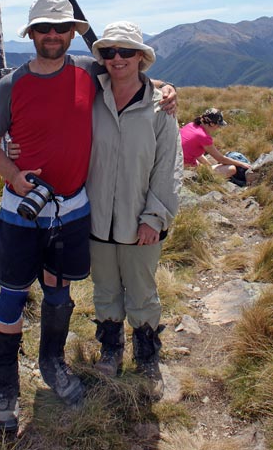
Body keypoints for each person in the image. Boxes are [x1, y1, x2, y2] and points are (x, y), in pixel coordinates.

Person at [0, 0, 176, 432]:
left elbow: (131, 75)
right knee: (11, 296)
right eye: (43, 28)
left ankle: (52, 363)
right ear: (31, 34)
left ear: (72, 33)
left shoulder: (89, 71)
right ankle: (4, 382)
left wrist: (166, 89)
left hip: (70, 211)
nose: (53, 35)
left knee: (58, 291)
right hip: (21, 213)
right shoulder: (11, 85)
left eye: (61, 28)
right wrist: (13, 175)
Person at [86, 21, 183, 400]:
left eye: (126, 51)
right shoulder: (92, 96)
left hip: (141, 220)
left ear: (141, 57)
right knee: (105, 288)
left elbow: (169, 166)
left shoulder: (160, 106)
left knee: (141, 289)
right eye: (109, 52)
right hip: (96, 218)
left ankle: (146, 352)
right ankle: (110, 348)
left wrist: (154, 218)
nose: (117, 58)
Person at [180, 108, 254, 183]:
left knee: (204, 163)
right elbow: (221, 159)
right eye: (218, 125)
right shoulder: (203, 137)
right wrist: (241, 164)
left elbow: (195, 152)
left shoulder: (190, 125)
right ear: (212, 124)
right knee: (232, 169)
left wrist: (209, 167)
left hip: (178, 162)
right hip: (186, 169)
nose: (218, 128)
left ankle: (210, 171)